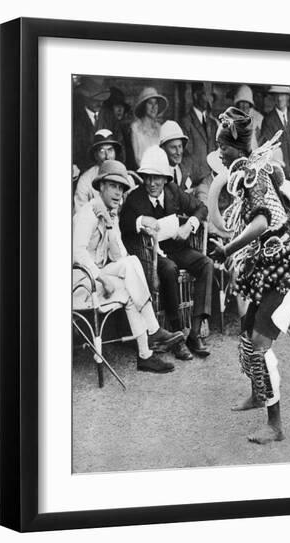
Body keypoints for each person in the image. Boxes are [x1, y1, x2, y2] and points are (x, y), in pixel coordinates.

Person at [209, 106, 290, 444]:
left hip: (285, 265)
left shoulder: (253, 173)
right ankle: (258, 394)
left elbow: (261, 222)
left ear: (236, 146)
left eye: (222, 147)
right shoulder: (252, 167)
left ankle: (275, 424)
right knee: (246, 330)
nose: (219, 153)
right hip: (268, 263)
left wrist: (227, 250)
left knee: (258, 343)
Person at [73, 159, 184, 374]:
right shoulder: (88, 213)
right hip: (79, 280)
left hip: (95, 276)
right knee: (129, 275)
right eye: (113, 186)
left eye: (121, 188)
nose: (118, 193)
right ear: (101, 186)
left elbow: (119, 256)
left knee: (130, 271)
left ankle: (145, 355)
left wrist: (111, 226)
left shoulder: (108, 214)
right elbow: (76, 253)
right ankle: (153, 330)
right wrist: (103, 278)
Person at [120, 146, 214, 360]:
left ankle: (195, 332)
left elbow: (201, 208)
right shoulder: (136, 199)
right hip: (151, 254)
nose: (152, 184)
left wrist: (188, 226)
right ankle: (177, 336)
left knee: (206, 263)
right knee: (169, 269)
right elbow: (124, 223)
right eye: (147, 178)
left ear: (165, 178)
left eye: (157, 178)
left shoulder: (173, 192)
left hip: (176, 248)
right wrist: (141, 221)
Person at [260, 85, 290, 190]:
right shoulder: (268, 121)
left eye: (283, 95)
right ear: (274, 97)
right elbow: (271, 153)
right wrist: (289, 173)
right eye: (277, 95)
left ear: (288, 97)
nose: (280, 98)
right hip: (277, 178)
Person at [74, 129, 122, 212]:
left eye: (110, 150)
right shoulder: (85, 180)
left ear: (115, 153)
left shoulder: (125, 176)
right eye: (102, 151)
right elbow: (79, 214)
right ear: (96, 155)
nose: (107, 156)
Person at [181, 82, 218, 187]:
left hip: (212, 180)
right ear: (196, 96)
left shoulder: (213, 123)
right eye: (205, 95)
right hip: (195, 182)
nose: (209, 99)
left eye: (210, 95)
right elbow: (186, 155)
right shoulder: (186, 122)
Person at [72, 76, 110, 174]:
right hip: (83, 173)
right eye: (95, 99)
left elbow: (120, 147)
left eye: (102, 99)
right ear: (85, 98)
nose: (100, 103)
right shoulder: (75, 119)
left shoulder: (109, 117)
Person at [130, 87, 168, 168]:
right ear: (144, 106)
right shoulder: (135, 128)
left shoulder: (160, 128)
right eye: (150, 103)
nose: (154, 107)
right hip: (142, 171)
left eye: (156, 103)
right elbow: (137, 157)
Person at [159, 120, 193, 192]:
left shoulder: (186, 170)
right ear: (163, 149)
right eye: (173, 147)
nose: (178, 152)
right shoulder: (158, 175)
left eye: (180, 146)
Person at [234, 84, 264, 151]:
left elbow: (263, 140)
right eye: (241, 102)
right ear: (237, 104)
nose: (244, 106)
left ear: (250, 104)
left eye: (246, 102)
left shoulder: (258, 118)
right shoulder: (232, 117)